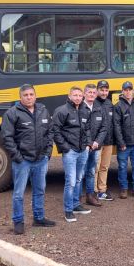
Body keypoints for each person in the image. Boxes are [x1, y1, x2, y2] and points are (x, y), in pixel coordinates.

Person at [1, 84, 55, 234]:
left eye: (31, 94)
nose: (29, 97)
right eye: (26, 95)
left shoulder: (43, 111)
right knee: (19, 193)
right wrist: (18, 157)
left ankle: (39, 218)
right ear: (20, 97)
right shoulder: (12, 113)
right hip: (23, 161)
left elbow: (50, 132)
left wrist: (47, 152)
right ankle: (18, 221)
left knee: (39, 190)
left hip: (40, 159)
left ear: (35, 96)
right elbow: (7, 137)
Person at [52, 86, 91, 223]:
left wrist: (87, 145)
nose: (78, 98)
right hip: (71, 152)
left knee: (79, 179)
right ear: (69, 96)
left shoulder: (85, 110)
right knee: (71, 181)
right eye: (75, 95)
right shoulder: (62, 111)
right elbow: (55, 131)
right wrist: (65, 148)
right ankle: (68, 210)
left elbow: (87, 129)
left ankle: (76, 205)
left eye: (80, 95)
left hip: (82, 151)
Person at [113, 81, 134, 199]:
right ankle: (124, 189)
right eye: (125, 90)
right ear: (122, 91)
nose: (128, 92)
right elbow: (117, 126)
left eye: (130, 89)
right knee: (122, 167)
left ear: (133, 91)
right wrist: (121, 143)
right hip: (124, 145)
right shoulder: (118, 106)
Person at [80, 83, 107, 207]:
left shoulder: (99, 108)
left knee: (91, 171)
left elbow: (104, 127)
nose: (91, 94)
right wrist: (89, 143)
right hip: (83, 147)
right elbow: (82, 129)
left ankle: (90, 196)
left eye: (93, 92)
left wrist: (97, 142)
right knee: (80, 173)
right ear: (84, 94)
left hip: (96, 146)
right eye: (89, 92)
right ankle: (78, 196)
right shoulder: (79, 108)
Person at [94, 80, 115, 201]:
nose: (104, 92)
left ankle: (102, 190)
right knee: (95, 167)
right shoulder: (93, 103)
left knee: (104, 167)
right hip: (97, 142)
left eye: (106, 90)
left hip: (108, 141)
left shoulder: (109, 104)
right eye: (101, 90)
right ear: (97, 90)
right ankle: (94, 191)